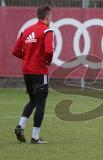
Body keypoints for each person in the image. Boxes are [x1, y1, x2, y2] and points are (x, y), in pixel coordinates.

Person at [12, 5, 54, 144]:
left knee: (33, 100)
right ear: (47, 17)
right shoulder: (47, 30)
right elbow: (49, 51)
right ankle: (35, 137)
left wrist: (27, 58)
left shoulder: (27, 30)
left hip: (27, 71)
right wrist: (47, 61)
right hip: (39, 71)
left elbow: (16, 51)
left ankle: (21, 125)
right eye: (51, 17)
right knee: (41, 103)